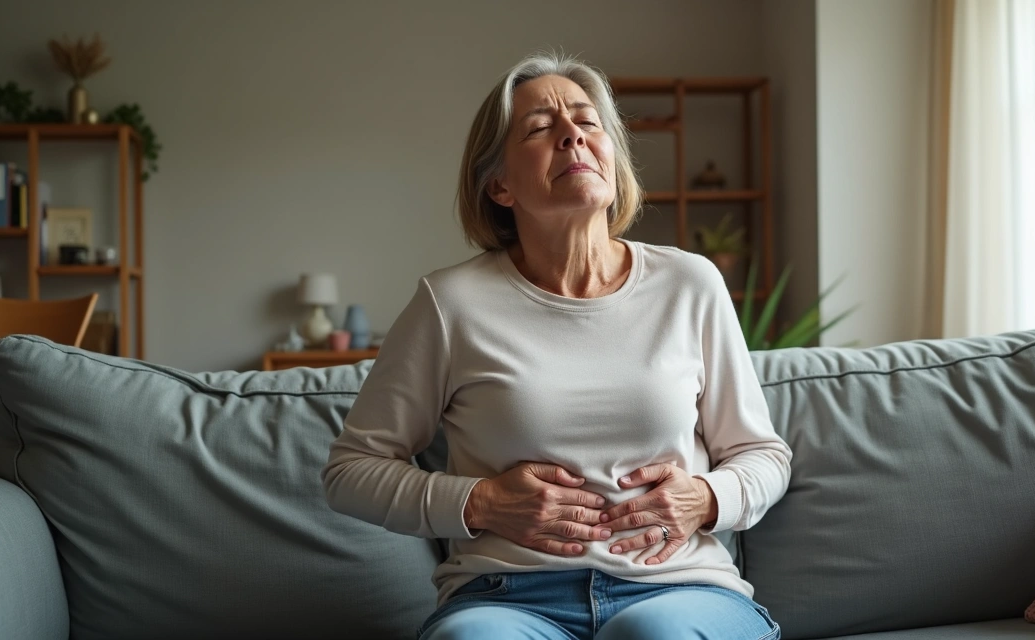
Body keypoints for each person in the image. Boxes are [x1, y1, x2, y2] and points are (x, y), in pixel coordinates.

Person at [321, 50, 791, 640]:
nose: (573, 135)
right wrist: (480, 502)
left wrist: (705, 497)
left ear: (612, 158)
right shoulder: (450, 304)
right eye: (540, 128)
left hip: (680, 588)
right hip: (507, 597)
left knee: (654, 634)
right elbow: (350, 472)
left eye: (588, 121)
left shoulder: (689, 283)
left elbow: (763, 455)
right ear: (499, 184)